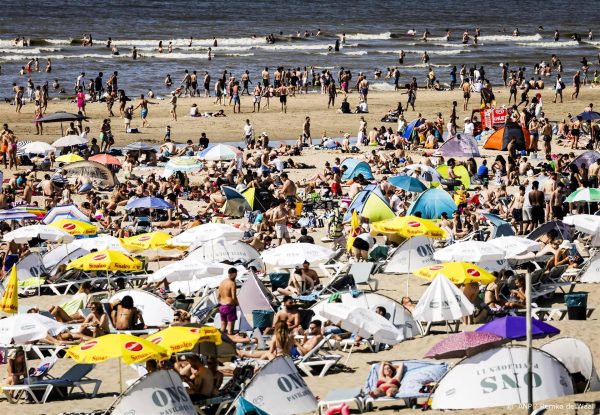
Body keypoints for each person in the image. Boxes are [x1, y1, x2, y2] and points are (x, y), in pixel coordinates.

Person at [217, 267, 238, 335]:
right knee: (230, 327)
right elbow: (233, 296)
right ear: (234, 274)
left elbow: (218, 296)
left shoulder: (222, 282)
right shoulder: (232, 283)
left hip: (221, 306)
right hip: (229, 306)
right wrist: (236, 303)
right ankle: (230, 343)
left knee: (223, 326)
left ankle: (222, 341)